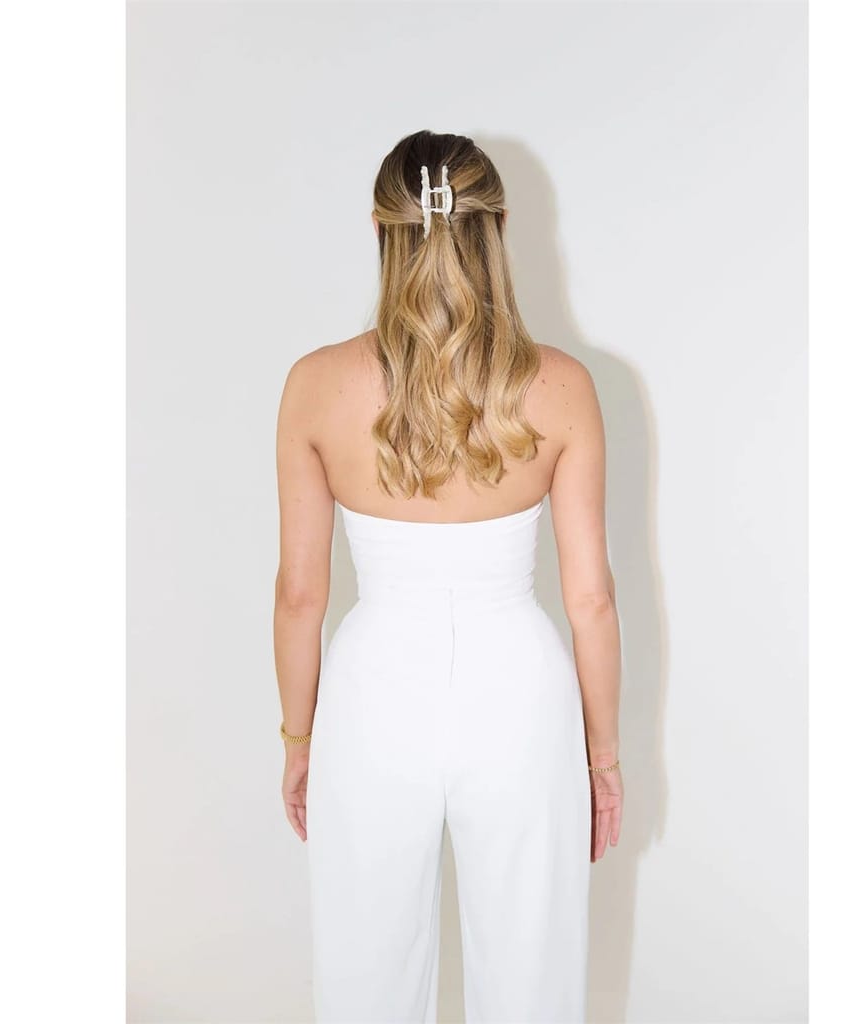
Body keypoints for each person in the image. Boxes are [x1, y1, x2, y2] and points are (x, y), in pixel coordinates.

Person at [273, 130, 623, 1024]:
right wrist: (604, 759)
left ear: (380, 230)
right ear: (496, 229)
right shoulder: (563, 387)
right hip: (521, 694)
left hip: (372, 693)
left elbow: (300, 596)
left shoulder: (314, 385)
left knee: (365, 971)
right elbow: (590, 599)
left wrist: (299, 739)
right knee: (533, 969)